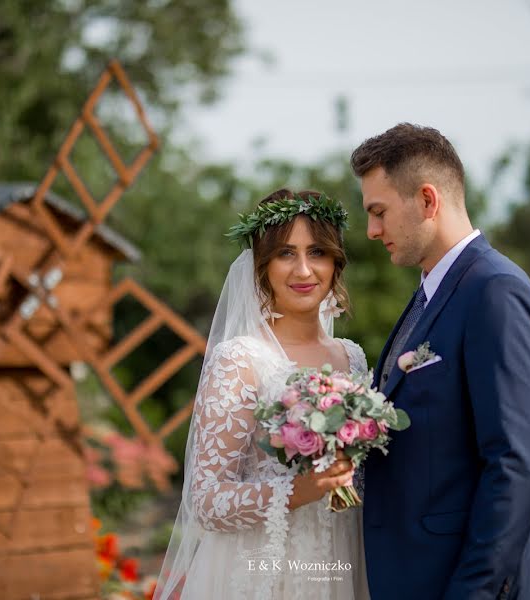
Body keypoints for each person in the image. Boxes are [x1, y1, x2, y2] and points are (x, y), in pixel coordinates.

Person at [351, 123, 530, 599]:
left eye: (378, 212)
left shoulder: (495, 291)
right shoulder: (432, 291)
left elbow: (514, 464)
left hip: (469, 584)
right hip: (418, 574)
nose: (371, 230)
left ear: (427, 200)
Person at [153, 189, 370, 600]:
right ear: (262, 266)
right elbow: (207, 501)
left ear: (335, 262)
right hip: (260, 573)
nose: (304, 270)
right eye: (286, 253)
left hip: (342, 560)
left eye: (317, 252)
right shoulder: (240, 360)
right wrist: (301, 490)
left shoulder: (352, 358)